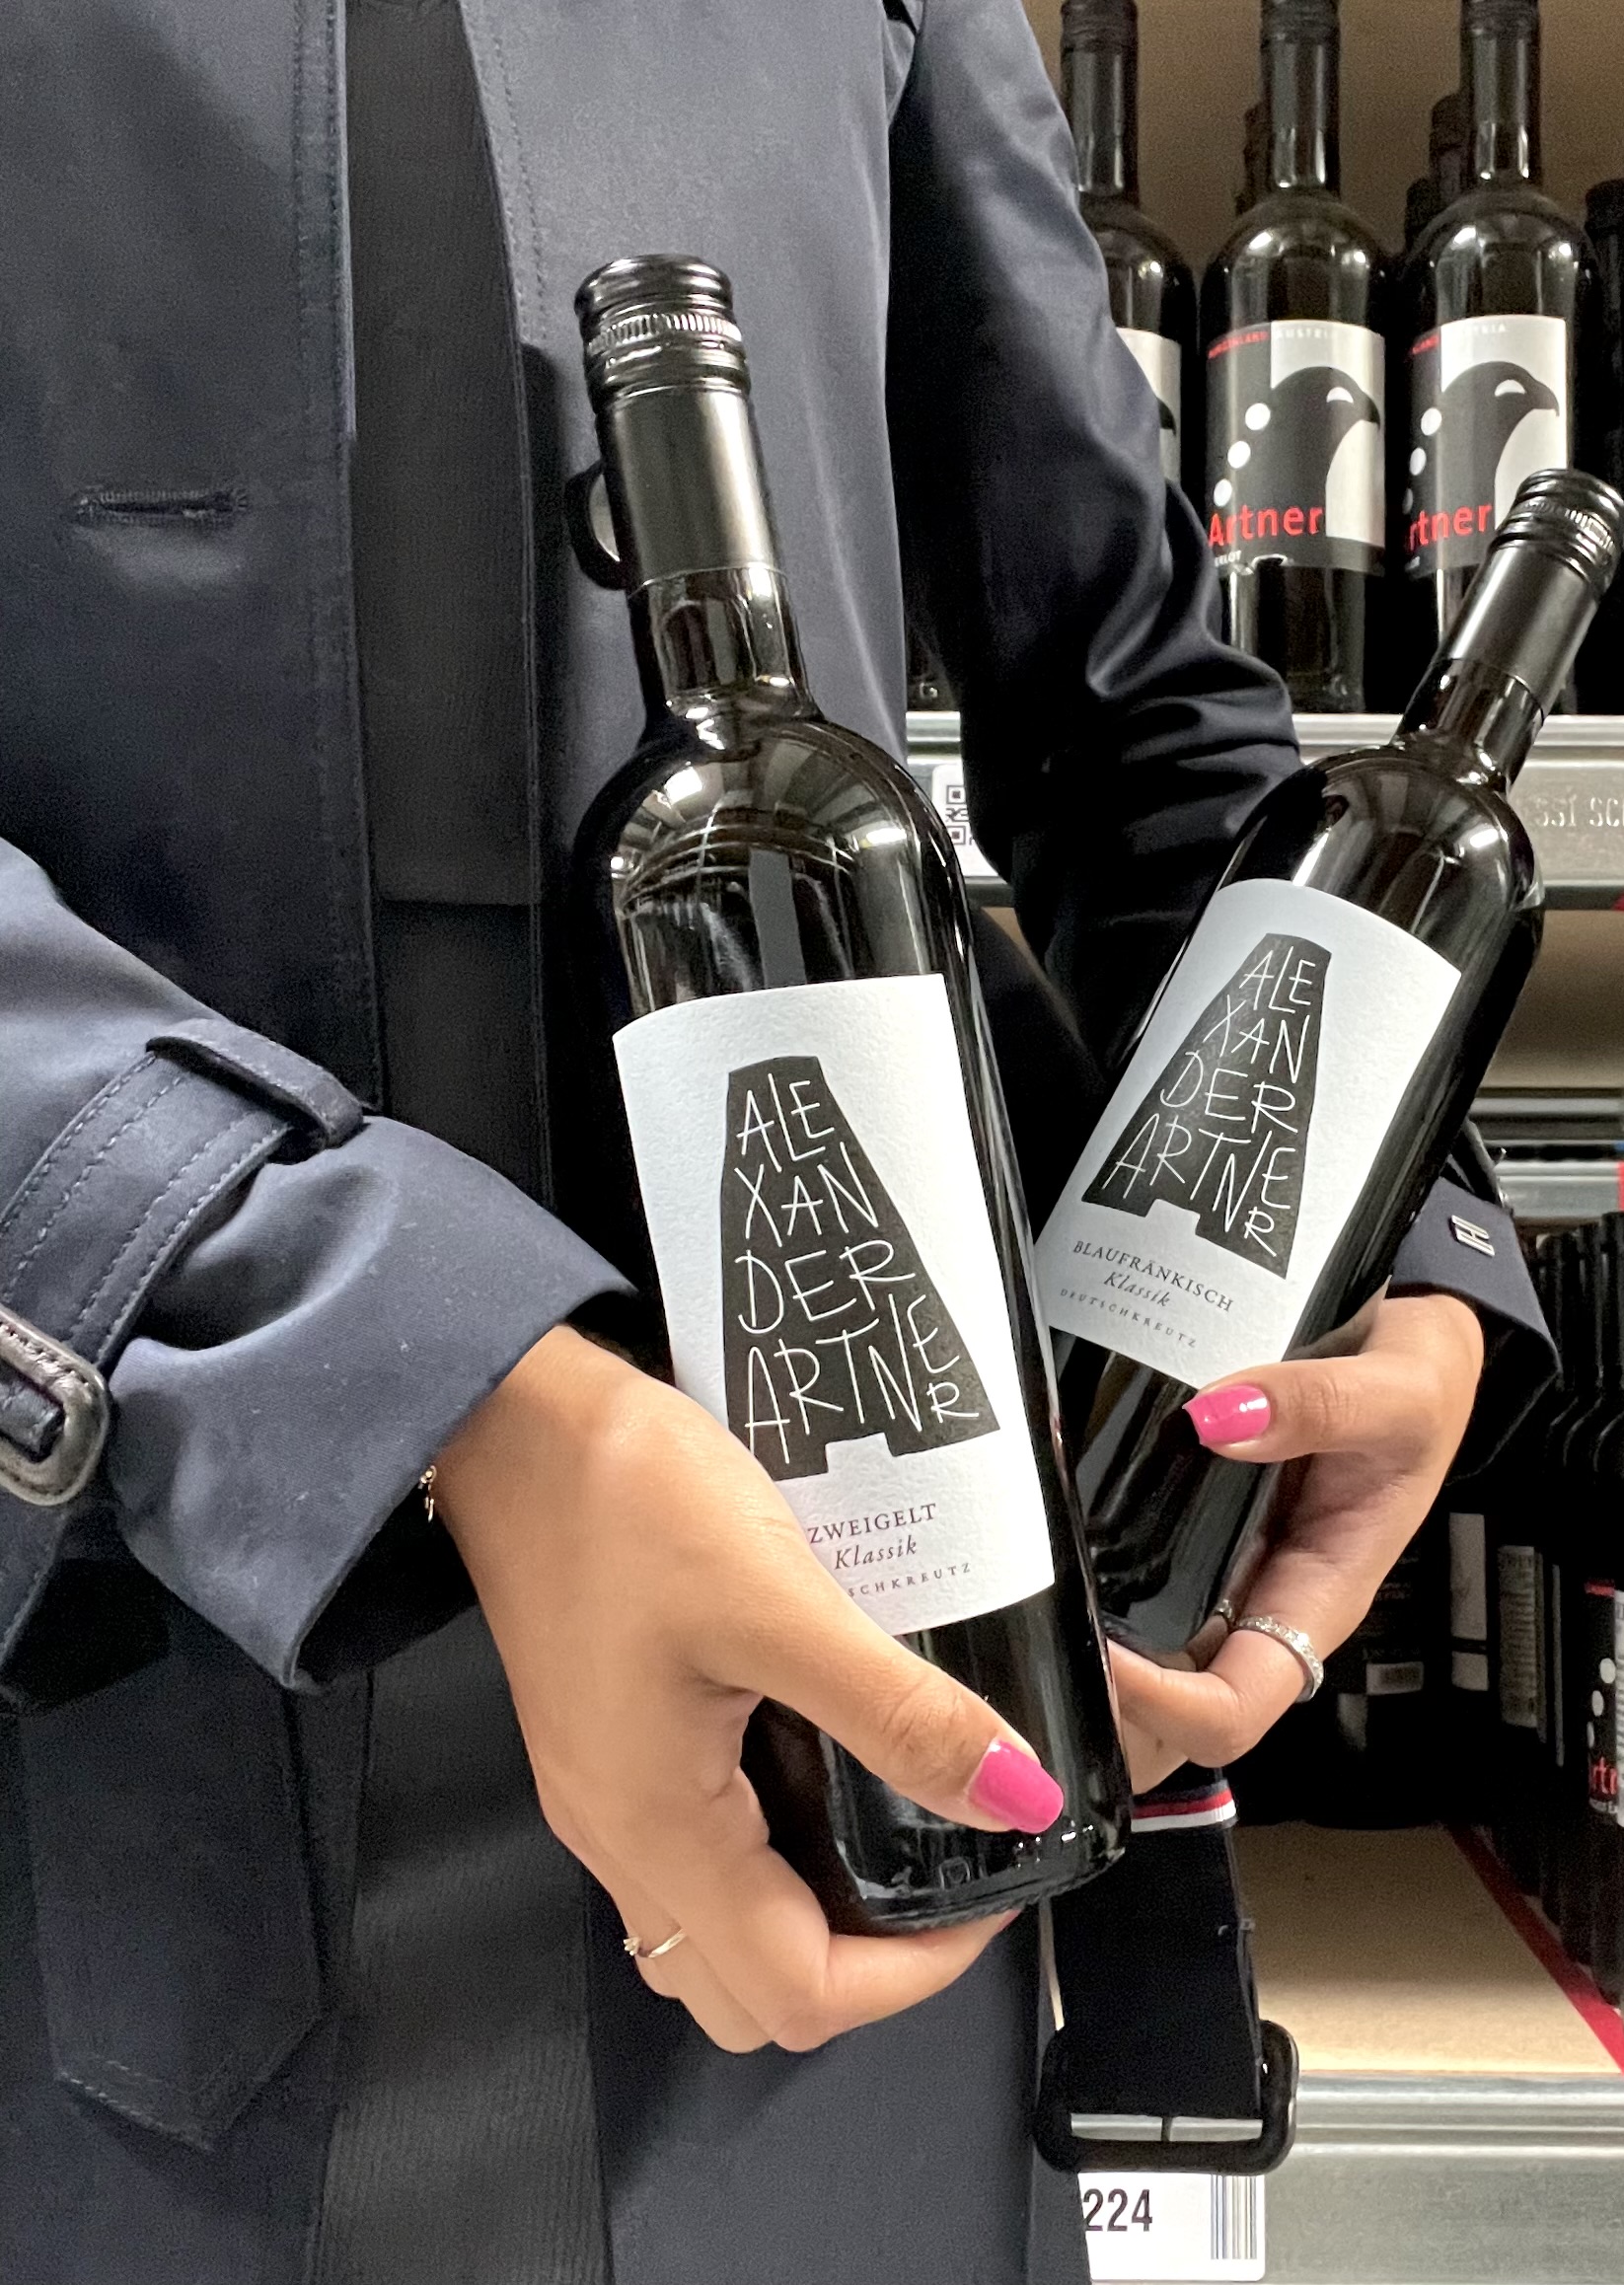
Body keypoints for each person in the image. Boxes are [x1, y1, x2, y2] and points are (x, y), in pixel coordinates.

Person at [0, 2, 1543, 2280]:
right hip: (116, 1621)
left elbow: (1132, 711)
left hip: (863, 1635)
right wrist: (395, 1365)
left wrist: (1383, 1228)